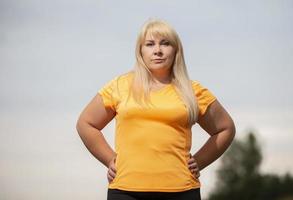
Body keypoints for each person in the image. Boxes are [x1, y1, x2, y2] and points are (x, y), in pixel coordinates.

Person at [76, 19, 235, 200]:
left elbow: (225, 128)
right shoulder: (120, 86)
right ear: (140, 51)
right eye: (150, 44)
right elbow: (86, 123)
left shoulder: (193, 91)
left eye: (165, 44)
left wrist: (199, 161)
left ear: (176, 50)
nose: (157, 50)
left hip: (181, 191)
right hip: (126, 190)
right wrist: (109, 159)